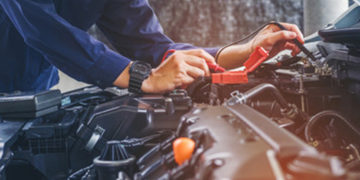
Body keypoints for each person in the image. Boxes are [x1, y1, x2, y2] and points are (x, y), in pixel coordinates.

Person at [0, 0, 303, 94]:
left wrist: (249, 50)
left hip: (33, 97)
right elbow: (43, 29)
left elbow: (152, 46)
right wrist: (141, 77)